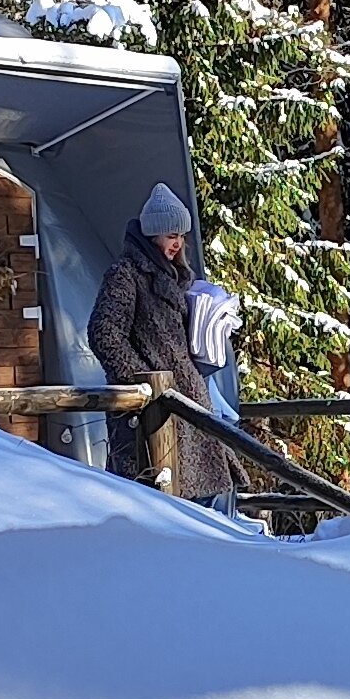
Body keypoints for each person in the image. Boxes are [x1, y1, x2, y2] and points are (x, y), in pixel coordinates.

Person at [89, 184, 238, 496]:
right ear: (152, 234)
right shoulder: (125, 274)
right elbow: (104, 333)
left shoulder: (177, 279)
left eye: (181, 236)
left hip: (186, 403)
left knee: (197, 498)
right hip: (148, 411)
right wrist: (147, 382)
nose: (178, 243)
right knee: (152, 498)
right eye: (171, 236)